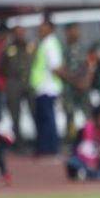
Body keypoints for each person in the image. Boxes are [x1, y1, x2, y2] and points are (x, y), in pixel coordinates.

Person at [30, 18, 68, 156]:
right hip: (43, 87)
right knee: (45, 119)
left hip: (48, 87)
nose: (40, 29)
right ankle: (47, 147)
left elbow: (55, 67)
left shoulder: (50, 44)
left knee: (48, 120)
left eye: (43, 27)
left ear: (51, 28)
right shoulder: (45, 43)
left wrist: (70, 79)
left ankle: (49, 148)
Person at [66, 105, 100, 182]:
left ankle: (89, 174)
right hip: (85, 161)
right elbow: (75, 149)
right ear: (97, 119)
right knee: (72, 162)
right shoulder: (85, 130)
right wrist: (88, 160)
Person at [0, 25, 33, 149]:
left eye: (21, 32)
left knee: (34, 111)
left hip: (29, 83)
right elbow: (1, 66)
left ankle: (38, 142)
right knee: (15, 115)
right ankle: (19, 144)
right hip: (13, 83)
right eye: (17, 33)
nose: (20, 35)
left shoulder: (30, 46)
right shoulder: (8, 48)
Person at [63, 23, 94, 144]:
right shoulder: (63, 49)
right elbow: (60, 68)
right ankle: (71, 143)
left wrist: (87, 81)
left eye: (76, 30)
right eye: (72, 30)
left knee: (87, 115)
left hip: (84, 87)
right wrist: (75, 81)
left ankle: (89, 140)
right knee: (70, 115)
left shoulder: (85, 48)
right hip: (69, 87)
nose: (75, 33)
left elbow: (91, 66)